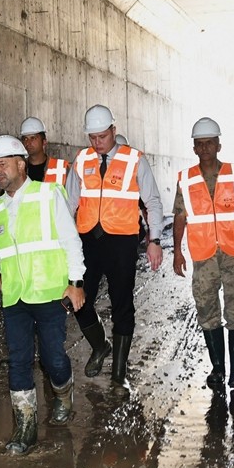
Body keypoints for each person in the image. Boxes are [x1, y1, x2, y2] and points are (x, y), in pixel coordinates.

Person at [0, 135, 87, 455]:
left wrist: (76, 282)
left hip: (50, 293)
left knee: (54, 359)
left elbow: (71, 240)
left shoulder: (49, 194)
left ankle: (63, 393)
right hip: (15, 298)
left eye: (3, 164)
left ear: (21, 164)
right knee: (19, 361)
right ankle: (24, 427)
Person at [64, 104, 165, 395]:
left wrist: (154, 240)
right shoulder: (82, 160)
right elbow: (68, 204)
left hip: (121, 242)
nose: (97, 143)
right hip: (88, 244)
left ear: (113, 130)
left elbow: (153, 202)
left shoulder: (134, 160)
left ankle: (119, 375)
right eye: (92, 138)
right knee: (77, 301)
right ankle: (100, 346)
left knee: (122, 305)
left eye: (102, 137)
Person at [172, 117, 234, 390]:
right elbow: (180, 216)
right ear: (194, 148)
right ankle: (217, 369)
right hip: (203, 255)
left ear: (218, 145)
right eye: (199, 145)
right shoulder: (186, 180)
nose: (204, 149)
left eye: (209, 143)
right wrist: (177, 252)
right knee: (207, 310)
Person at [19, 116, 68, 184]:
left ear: (44, 142)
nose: (28, 143)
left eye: (33, 138)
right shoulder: (18, 169)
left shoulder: (61, 168)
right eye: (25, 139)